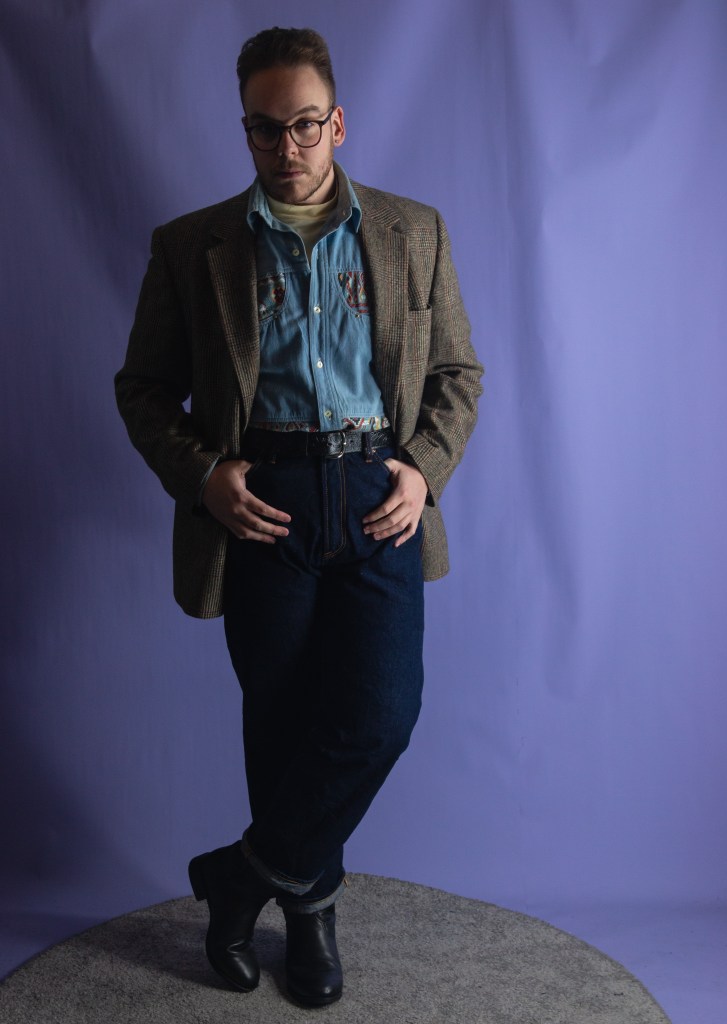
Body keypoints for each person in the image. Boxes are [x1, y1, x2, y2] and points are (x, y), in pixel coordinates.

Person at [115, 26, 483, 1008]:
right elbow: (141, 389)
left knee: (380, 714)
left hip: (375, 498)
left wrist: (423, 471)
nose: (288, 147)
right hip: (262, 505)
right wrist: (203, 476)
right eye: (265, 129)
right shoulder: (192, 246)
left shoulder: (413, 231)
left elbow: (456, 374)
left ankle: (239, 880)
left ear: (338, 122)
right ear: (245, 130)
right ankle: (309, 916)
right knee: (279, 723)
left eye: (306, 125)